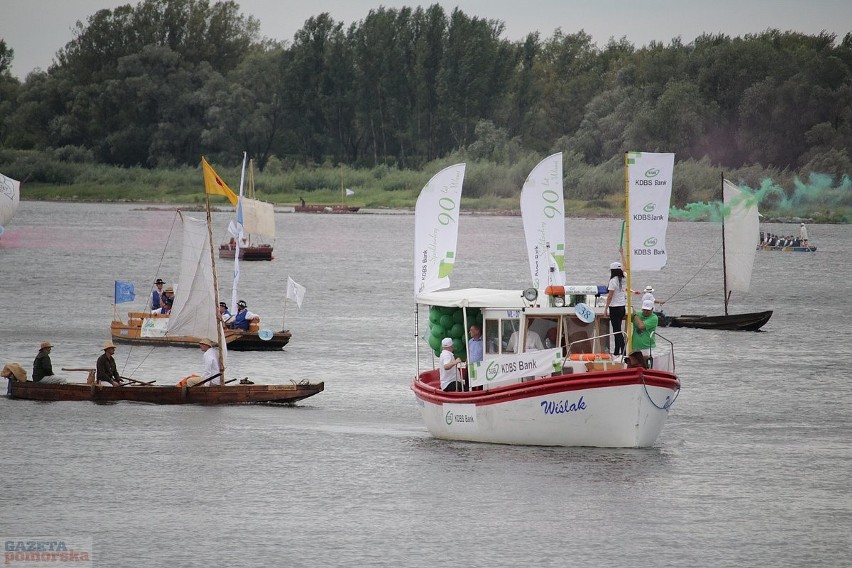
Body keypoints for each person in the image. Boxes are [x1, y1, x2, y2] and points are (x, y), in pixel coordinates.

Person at [604, 248, 628, 357]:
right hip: (622, 307)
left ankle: (624, 352)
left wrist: (605, 308)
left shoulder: (613, 281)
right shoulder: (624, 277)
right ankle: (617, 351)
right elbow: (626, 266)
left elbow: (610, 296)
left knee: (617, 331)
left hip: (614, 308)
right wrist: (622, 254)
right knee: (617, 329)